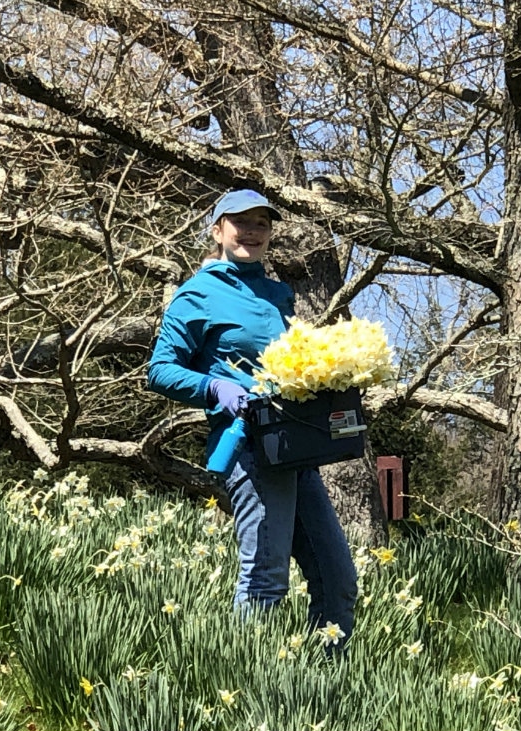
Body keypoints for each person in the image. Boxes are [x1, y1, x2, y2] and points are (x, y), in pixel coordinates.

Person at [147, 189, 359, 648]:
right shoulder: (197, 294)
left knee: (338, 579)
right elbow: (160, 370)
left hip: (293, 446)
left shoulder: (276, 292)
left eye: (261, 223)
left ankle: (326, 687)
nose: (251, 231)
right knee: (265, 578)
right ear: (218, 229)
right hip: (248, 448)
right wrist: (214, 387)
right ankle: (244, 686)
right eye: (239, 222)